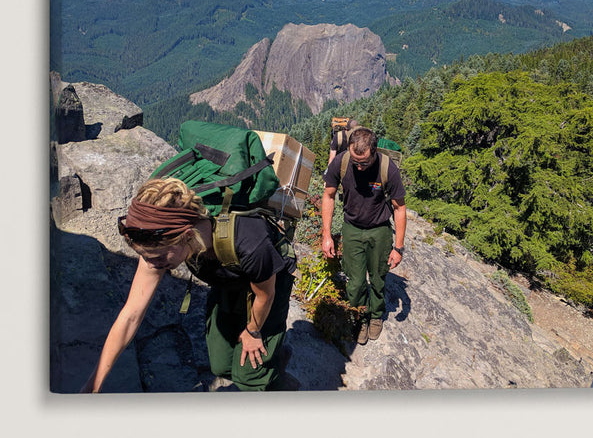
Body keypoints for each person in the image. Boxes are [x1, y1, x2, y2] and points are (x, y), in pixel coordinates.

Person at [80, 177, 296, 392]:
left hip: (267, 285)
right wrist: (93, 386)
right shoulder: (158, 245)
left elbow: (265, 296)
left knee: (250, 375)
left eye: (159, 258)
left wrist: (253, 332)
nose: (152, 265)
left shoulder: (249, 242)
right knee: (221, 363)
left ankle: (270, 376)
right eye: (145, 257)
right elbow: (130, 315)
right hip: (227, 281)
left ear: (188, 236)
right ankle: (270, 366)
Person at [321, 127, 407, 344]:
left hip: (379, 230)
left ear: (374, 152)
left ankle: (376, 316)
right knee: (356, 281)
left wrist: (398, 248)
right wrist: (326, 235)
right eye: (355, 161)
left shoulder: (388, 169)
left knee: (378, 277)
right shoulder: (341, 162)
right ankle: (361, 315)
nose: (358, 166)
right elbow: (328, 196)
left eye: (363, 162)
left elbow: (399, 208)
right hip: (352, 228)